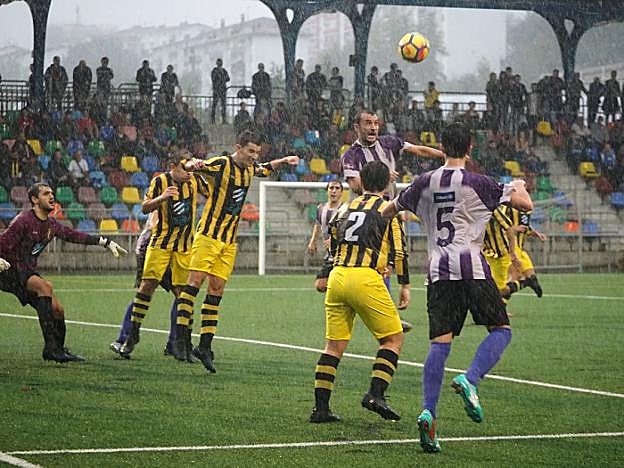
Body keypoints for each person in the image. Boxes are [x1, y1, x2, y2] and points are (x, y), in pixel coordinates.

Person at [382, 122, 533, 453]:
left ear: (441, 147)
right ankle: (470, 378)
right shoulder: (479, 182)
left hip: (438, 272)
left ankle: (428, 412)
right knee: (501, 330)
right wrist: (519, 185)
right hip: (473, 268)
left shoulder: (423, 182)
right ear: (470, 148)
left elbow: (387, 210)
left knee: (440, 343)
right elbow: (526, 206)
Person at [170, 131, 298, 371]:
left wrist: (282, 160)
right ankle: (180, 339)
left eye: (257, 152)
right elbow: (195, 165)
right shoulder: (221, 164)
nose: (254, 156)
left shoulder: (250, 168)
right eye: (250, 151)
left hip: (228, 240)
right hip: (208, 236)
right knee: (193, 284)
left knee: (216, 290)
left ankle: (204, 346)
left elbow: (264, 169)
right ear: (238, 147)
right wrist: (191, 164)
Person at [309, 161, 410, 423]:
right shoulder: (388, 209)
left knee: (333, 346)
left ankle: (320, 409)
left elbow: (332, 243)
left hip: (338, 277)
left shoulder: (344, 207)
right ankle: (376, 394)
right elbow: (399, 252)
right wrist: (405, 285)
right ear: (387, 183)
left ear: (362, 182)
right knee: (393, 339)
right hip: (365, 278)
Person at [341, 109, 444, 333]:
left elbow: (418, 150)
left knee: (386, 262)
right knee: (375, 262)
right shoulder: (351, 155)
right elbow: (356, 186)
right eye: (368, 123)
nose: (373, 127)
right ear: (357, 127)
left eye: (376, 123)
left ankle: (382, 312)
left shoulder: (389, 143)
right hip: (367, 215)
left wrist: (443, 156)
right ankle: (376, 310)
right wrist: (381, 176)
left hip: (390, 211)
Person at [0, 182, 127, 362]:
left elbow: (73, 235)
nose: (51, 196)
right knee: (45, 287)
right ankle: (51, 349)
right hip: (8, 271)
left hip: (25, 272)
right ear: (34, 199)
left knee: (57, 310)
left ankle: (58, 348)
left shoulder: (51, 224)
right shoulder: (23, 221)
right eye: (46, 193)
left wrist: (104, 242)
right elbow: (3, 243)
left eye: (52, 193)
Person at [117, 151, 210, 359]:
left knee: (184, 294)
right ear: (172, 166)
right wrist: (162, 197)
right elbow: (144, 208)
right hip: (160, 243)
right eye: (185, 168)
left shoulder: (194, 180)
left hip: (184, 246)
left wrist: (204, 170)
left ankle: (183, 343)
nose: (188, 173)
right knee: (147, 286)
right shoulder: (160, 182)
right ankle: (132, 334)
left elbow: (214, 192)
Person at [110, 210, 179, 356]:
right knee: (147, 292)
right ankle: (126, 339)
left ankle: (174, 343)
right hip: (152, 247)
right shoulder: (164, 199)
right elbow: (154, 224)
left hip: (166, 247)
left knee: (181, 295)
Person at [306, 180, 344, 293]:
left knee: (340, 283)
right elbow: (318, 224)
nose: (334, 191)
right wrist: (313, 241)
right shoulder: (321, 208)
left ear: (341, 192)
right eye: (331, 188)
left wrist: (334, 239)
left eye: (337, 188)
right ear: (327, 191)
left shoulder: (345, 209)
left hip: (343, 253)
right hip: (329, 254)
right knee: (320, 285)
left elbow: (347, 229)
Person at [504, 207, 546, 299]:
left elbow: (524, 228)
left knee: (531, 277)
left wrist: (535, 233)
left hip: (520, 249)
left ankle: (526, 283)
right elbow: (500, 227)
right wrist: (513, 229)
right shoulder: (505, 208)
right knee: (514, 278)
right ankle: (501, 303)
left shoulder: (525, 209)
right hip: (508, 248)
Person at [210, 58, 230, 124]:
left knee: (223, 105)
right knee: (214, 105)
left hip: (223, 90)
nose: (220, 64)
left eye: (220, 62)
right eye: (219, 62)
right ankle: (213, 119)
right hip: (217, 90)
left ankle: (224, 119)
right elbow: (213, 79)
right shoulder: (214, 70)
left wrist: (222, 78)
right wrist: (220, 78)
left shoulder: (224, 70)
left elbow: (228, 78)